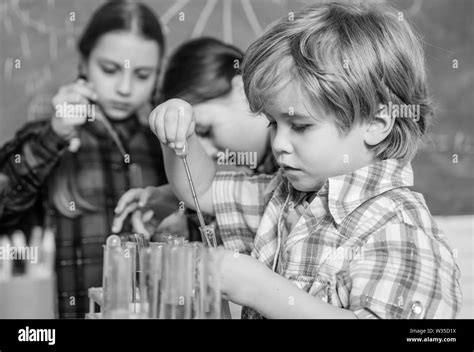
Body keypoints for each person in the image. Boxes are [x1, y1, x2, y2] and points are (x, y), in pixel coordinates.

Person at [148, 2, 462, 319]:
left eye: (300, 126)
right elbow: (200, 192)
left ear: (376, 123)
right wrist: (179, 135)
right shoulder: (284, 197)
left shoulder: (399, 227)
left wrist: (260, 290)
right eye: (273, 124)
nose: (280, 143)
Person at [0, 1, 167, 318]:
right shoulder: (45, 137)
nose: (125, 88)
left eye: (143, 75)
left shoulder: (160, 146)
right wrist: (54, 135)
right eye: (110, 69)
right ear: (83, 63)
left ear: (158, 75)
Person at [112, 37, 275, 240]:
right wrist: (179, 198)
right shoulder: (260, 175)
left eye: (205, 130)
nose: (205, 152)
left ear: (242, 90)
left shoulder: (295, 163)